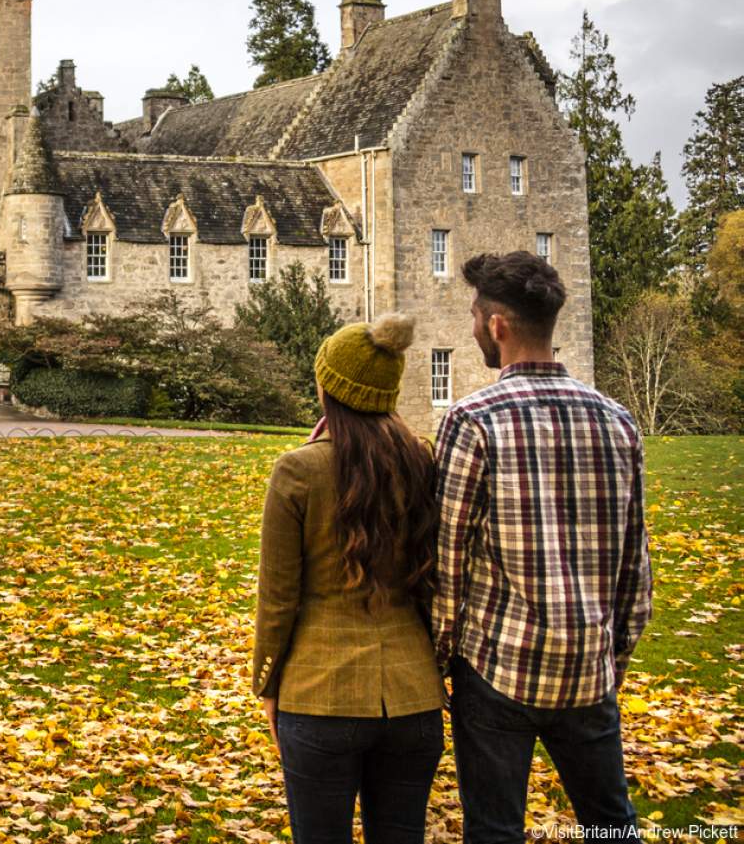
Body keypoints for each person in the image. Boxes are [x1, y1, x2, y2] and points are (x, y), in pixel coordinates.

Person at [434, 251, 652, 842]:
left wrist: (442, 657)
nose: (473, 326)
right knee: (611, 825)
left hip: (497, 667)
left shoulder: (473, 419)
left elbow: (447, 563)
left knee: (495, 830)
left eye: (477, 315)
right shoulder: (617, 421)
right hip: (588, 664)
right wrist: (614, 655)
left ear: (498, 325)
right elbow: (636, 567)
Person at [254, 312, 445, 843]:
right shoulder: (422, 462)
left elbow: (277, 598)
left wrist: (267, 683)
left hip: (320, 695)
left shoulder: (299, 470)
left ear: (327, 387)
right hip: (413, 697)